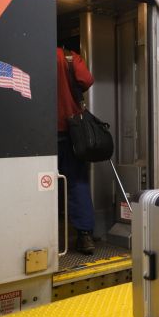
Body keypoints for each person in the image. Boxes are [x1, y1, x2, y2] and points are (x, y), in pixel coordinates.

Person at [56, 47, 96, 255]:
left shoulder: (30, 53)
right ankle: (85, 236)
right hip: (71, 131)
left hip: (39, 134)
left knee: (41, 185)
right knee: (77, 183)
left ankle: (43, 237)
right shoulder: (69, 57)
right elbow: (87, 80)